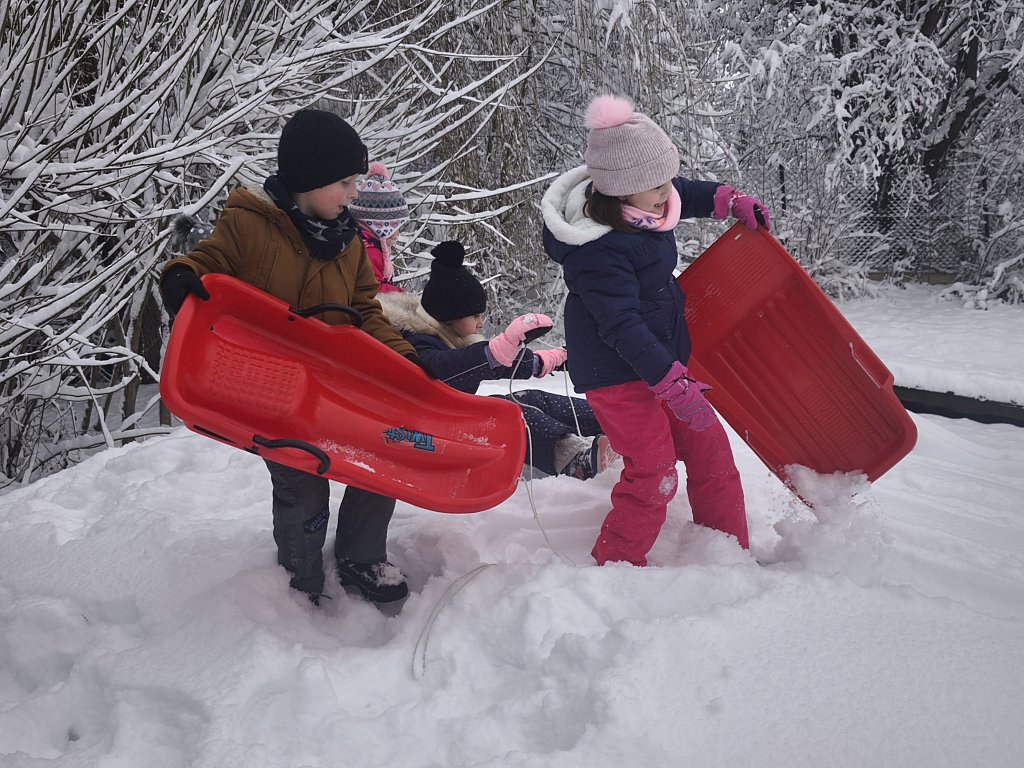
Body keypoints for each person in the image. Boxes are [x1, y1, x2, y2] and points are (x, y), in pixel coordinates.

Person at [159, 109, 427, 605]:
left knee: (384, 455)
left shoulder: (348, 243)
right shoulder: (249, 225)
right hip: (273, 392)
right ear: (309, 178)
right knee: (303, 488)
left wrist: (403, 358)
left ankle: (361, 555)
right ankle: (299, 578)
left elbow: (366, 311)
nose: (352, 195)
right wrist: (181, 275)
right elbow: (209, 263)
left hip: (334, 389)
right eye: (344, 183)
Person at [541, 94, 772, 566]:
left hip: (660, 362)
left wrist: (727, 200)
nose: (669, 193)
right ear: (621, 191)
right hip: (615, 374)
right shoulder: (598, 251)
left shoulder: (643, 204)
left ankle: (727, 553)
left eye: (667, 179)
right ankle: (617, 565)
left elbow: (678, 189)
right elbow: (620, 324)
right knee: (654, 470)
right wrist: (671, 382)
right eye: (657, 186)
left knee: (711, 451)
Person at [378, 240, 617, 481]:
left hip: (452, 418)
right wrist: (492, 353)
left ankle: (615, 422)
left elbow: (492, 363)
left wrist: (542, 361)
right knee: (512, 416)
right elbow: (444, 366)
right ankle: (576, 460)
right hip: (427, 432)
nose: (481, 323)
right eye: (475, 316)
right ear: (448, 316)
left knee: (532, 399)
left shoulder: (448, 336)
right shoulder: (417, 342)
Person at [348, 162, 409, 293]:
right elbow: (373, 290)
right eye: (396, 227)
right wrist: (400, 294)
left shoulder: (365, 243)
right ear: (381, 226)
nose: (398, 234)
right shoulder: (371, 252)